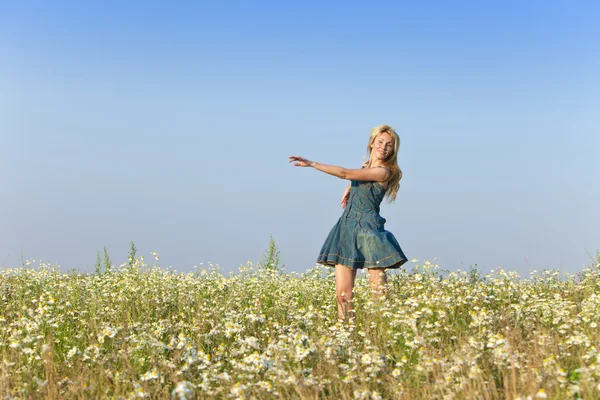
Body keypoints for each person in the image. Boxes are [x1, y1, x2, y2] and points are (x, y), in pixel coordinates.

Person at [289, 124, 407, 321]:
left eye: (389, 145)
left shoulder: (384, 172)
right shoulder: (365, 168)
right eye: (380, 142)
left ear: (393, 150)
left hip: (369, 230)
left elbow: (345, 173)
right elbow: (355, 178)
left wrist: (312, 164)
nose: (383, 147)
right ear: (372, 143)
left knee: (379, 293)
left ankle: (385, 331)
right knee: (343, 295)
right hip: (347, 228)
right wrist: (350, 189)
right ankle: (346, 336)